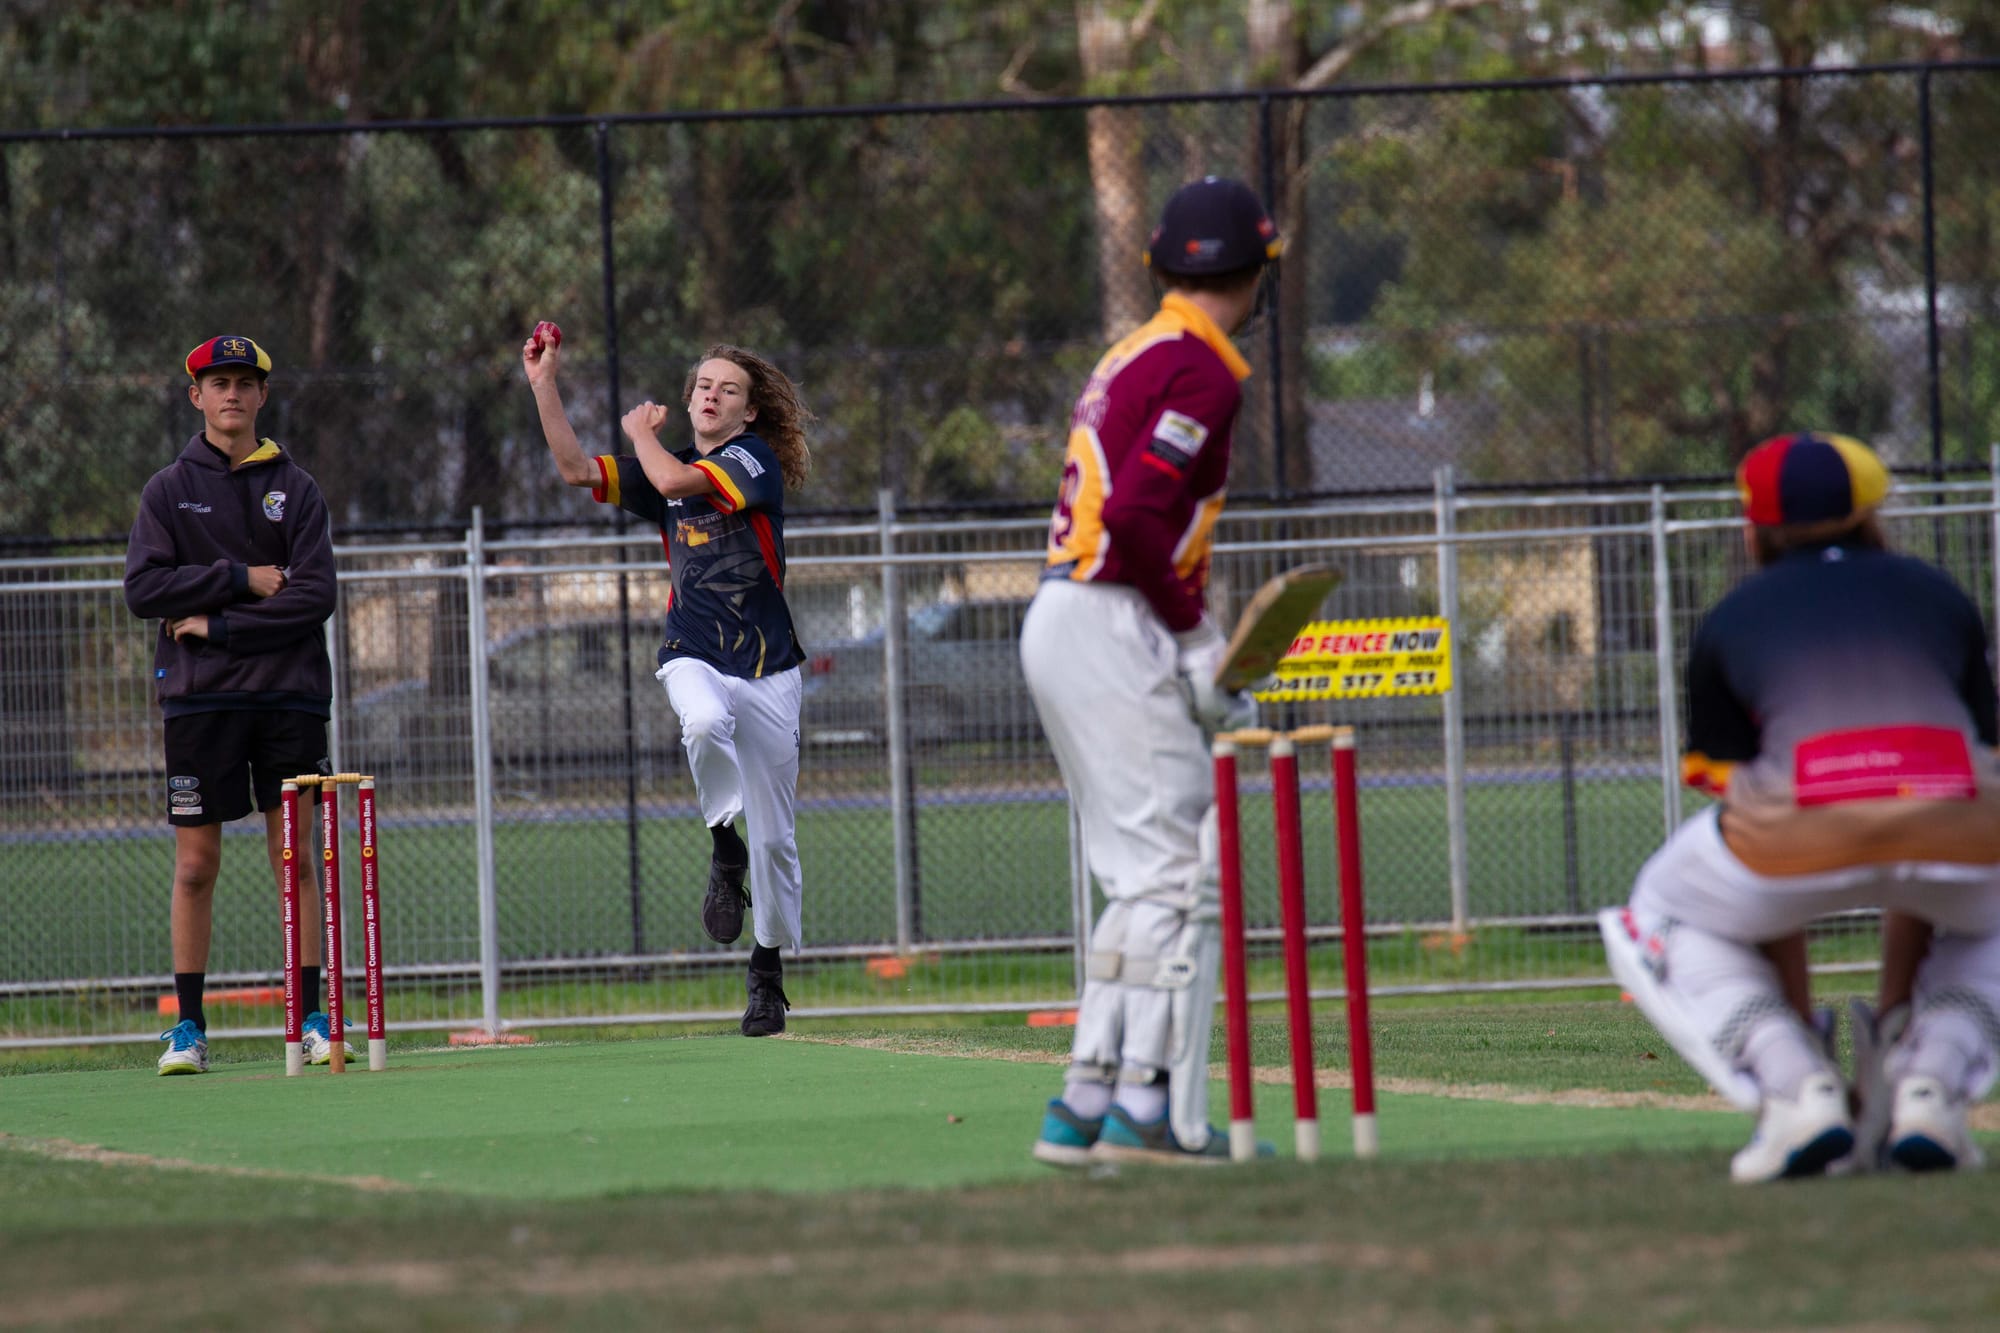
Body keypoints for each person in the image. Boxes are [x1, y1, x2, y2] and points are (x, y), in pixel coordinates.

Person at [1600, 431, 2000, 1181]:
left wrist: (1807, 1037)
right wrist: (1889, 1029)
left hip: (1791, 838)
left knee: (1659, 913)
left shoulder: (1732, 616)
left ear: (1753, 530)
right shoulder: (1940, 596)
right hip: (1963, 823)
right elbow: (1949, 788)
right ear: (1872, 517)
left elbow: (1745, 803)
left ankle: (1795, 1084)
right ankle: (1929, 1083)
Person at [1021, 176, 1281, 1164]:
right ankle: (1147, 1108)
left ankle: (1087, 1100)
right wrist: (1195, 638)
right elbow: (1134, 516)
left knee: (1140, 878)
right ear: (1255, 271)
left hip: (1064, 610)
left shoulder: (1136, 350)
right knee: (1176, 874)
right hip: (1110, 612)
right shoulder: (1202, 368)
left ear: (1162, 263)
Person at [524, 331, 813, 1037]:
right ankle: (723, 844)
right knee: (703, 722)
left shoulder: (751, 459)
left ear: (747, 412)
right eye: (703, 385)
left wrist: (638, 435)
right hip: (693, 651)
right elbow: (573, 469)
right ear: (688, 401)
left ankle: (767, 970)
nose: (712, 395)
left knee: (778, 841)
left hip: (769, 668)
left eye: (728, 389)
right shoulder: (667, 467)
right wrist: (543, 383)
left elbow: (678, 484)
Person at [124, 335, 348, 1074]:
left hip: (289, 697)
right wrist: (240, 578)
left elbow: (314, 595)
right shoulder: (167, 490)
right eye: (218, 383)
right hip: (200, 701)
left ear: (261, 396)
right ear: (196, 396)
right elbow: (144, 590)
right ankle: (187, 1028)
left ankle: (311, 1018)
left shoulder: (297, 487)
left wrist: (217, 625)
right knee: (196, 865)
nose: (232, 394)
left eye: (245, 383)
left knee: (297, 860)